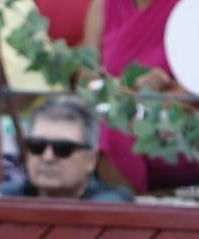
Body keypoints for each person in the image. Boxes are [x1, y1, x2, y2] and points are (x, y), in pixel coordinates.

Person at [81, 0, 199, 193]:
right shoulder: (102, 5)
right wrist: (129, 88)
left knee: (110, 131)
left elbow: (191, 92)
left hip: (179, 129)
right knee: (104, 129)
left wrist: (158, 96)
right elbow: (86, 75)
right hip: (115, 113)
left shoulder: (192, 8)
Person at [0, 95, 135, 200]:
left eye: (63, 149)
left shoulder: (112, 203)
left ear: (91, 160)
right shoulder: (13, 194)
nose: (48, 157)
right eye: (37, 146)